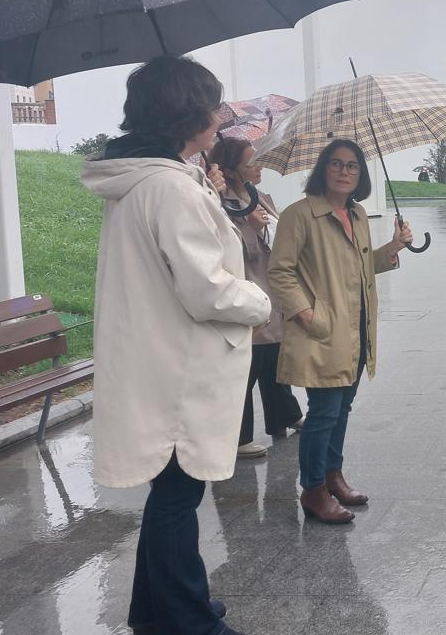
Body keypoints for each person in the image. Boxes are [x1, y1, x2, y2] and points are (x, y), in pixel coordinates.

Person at [82, 56, 271, 635]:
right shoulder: (168, 188)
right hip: (176, 370)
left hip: (158, 362)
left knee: (171, 495)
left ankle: (155, 610)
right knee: (176, 499)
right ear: (187, 113)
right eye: (212, 105)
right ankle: (186, 620)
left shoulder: (155, 181)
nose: (220, 117)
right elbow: (206, 291)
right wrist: (259, 302)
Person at [269, 139, 414, 526]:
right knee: (323, 412)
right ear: (323, 169)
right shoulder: (299, 215)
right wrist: (305, 313)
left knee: (341, 409)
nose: (345, 172)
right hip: (323, 330)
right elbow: (279, 271)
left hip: (356, 329)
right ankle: (313, 489)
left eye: (353, 166)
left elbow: (362, 270)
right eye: (337, 164)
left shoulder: (359, 214)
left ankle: (333, 475)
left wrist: (394, 247)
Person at [208, 137, 305, 459]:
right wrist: (245, 222)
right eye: (251, 162)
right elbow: (226, 246)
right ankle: (236, 436)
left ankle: (285, 415)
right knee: (247, 366)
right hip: (246, 286)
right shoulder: (218, 199)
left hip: (271, 287)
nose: (259, 166)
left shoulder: (260, 197)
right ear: (232, 170)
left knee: (275, 357)